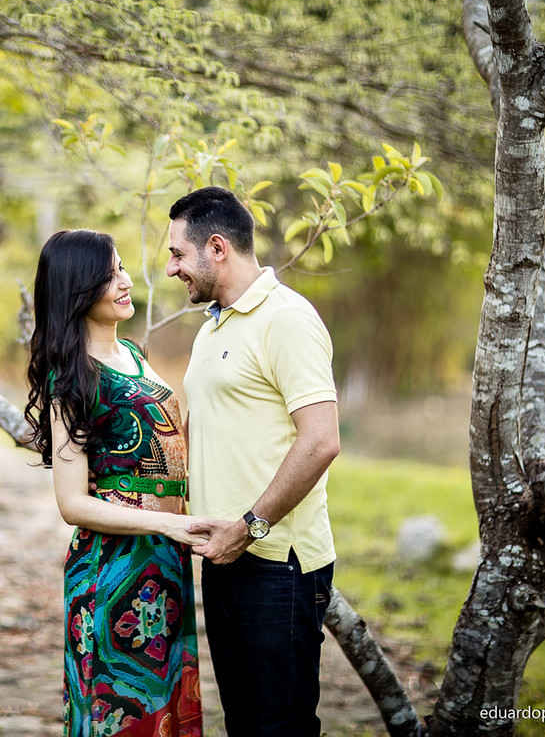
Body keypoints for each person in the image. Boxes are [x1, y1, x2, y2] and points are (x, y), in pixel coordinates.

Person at [165, 187, 340, 737]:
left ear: (216, 248)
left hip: (276, 563)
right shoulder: (213, 324)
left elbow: (320, 440)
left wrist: (250, 525)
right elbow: (202, 425)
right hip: (224, 557)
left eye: (177, 254)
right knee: (243, 723)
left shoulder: (286, 318)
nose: (171, 269)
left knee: (277, 726)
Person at [25, 228, 206, 737]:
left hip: (165, 560)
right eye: (109, 274)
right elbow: (72, 503)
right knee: (120, 710)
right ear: (78, 288)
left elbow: (167, 447)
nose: (125, 281)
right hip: (114, 568)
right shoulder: (72, 378)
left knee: (163, 704)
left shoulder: (134, 354)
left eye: (123, 267)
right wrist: (166, 526)